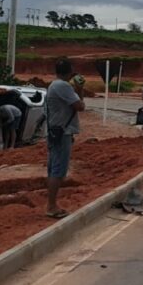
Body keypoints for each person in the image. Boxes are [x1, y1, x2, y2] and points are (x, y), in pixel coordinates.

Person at [45, 58, 85, 218]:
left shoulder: (54, 85)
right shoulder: (63, 86)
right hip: (62, 133)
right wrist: (80, 89)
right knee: (58, 170)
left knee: (53, 168)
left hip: (56, 131)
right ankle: (51, 206)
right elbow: (80, 106)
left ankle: (51, 203)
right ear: (69, 72)